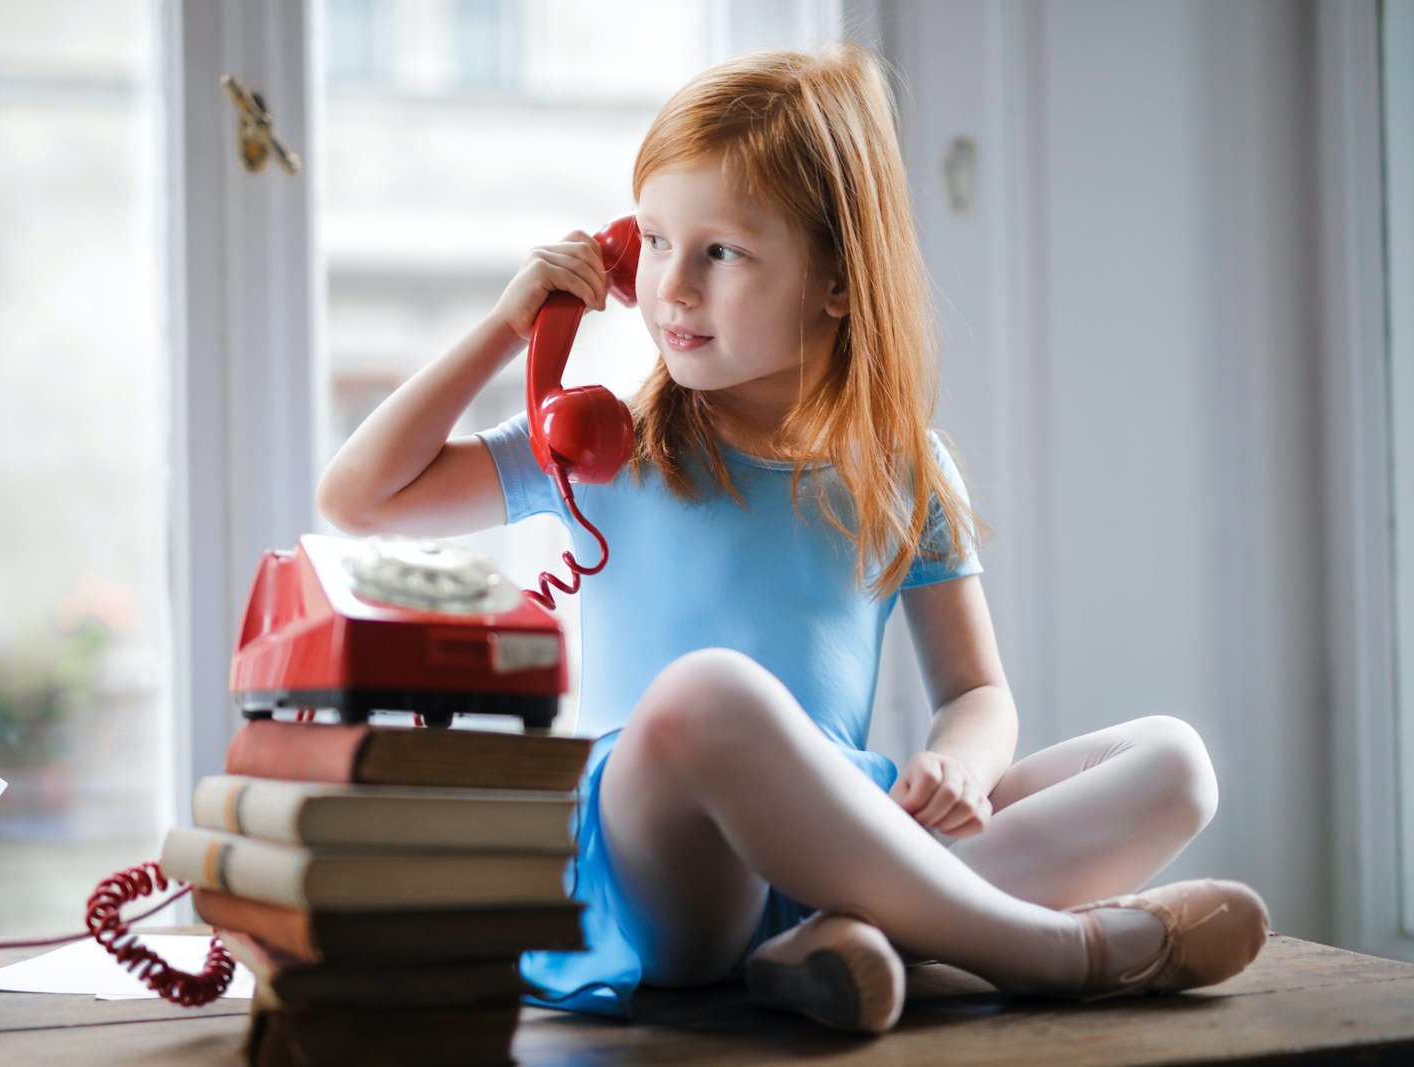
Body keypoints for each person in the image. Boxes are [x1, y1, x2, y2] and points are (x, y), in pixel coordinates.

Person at [315, 43, 1270, 1035]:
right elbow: (358, 496)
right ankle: (1050, 948)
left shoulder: (901, 466)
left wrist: (961, 762)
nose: (670, 287)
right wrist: (509, 329)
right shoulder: (608, 444)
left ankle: (851, 939)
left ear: (837, 282)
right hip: (667, 870)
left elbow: (978, 693)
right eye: (650, 241)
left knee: (1174, 759)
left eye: (718, 251)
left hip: (829, 848)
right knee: (706, 690)